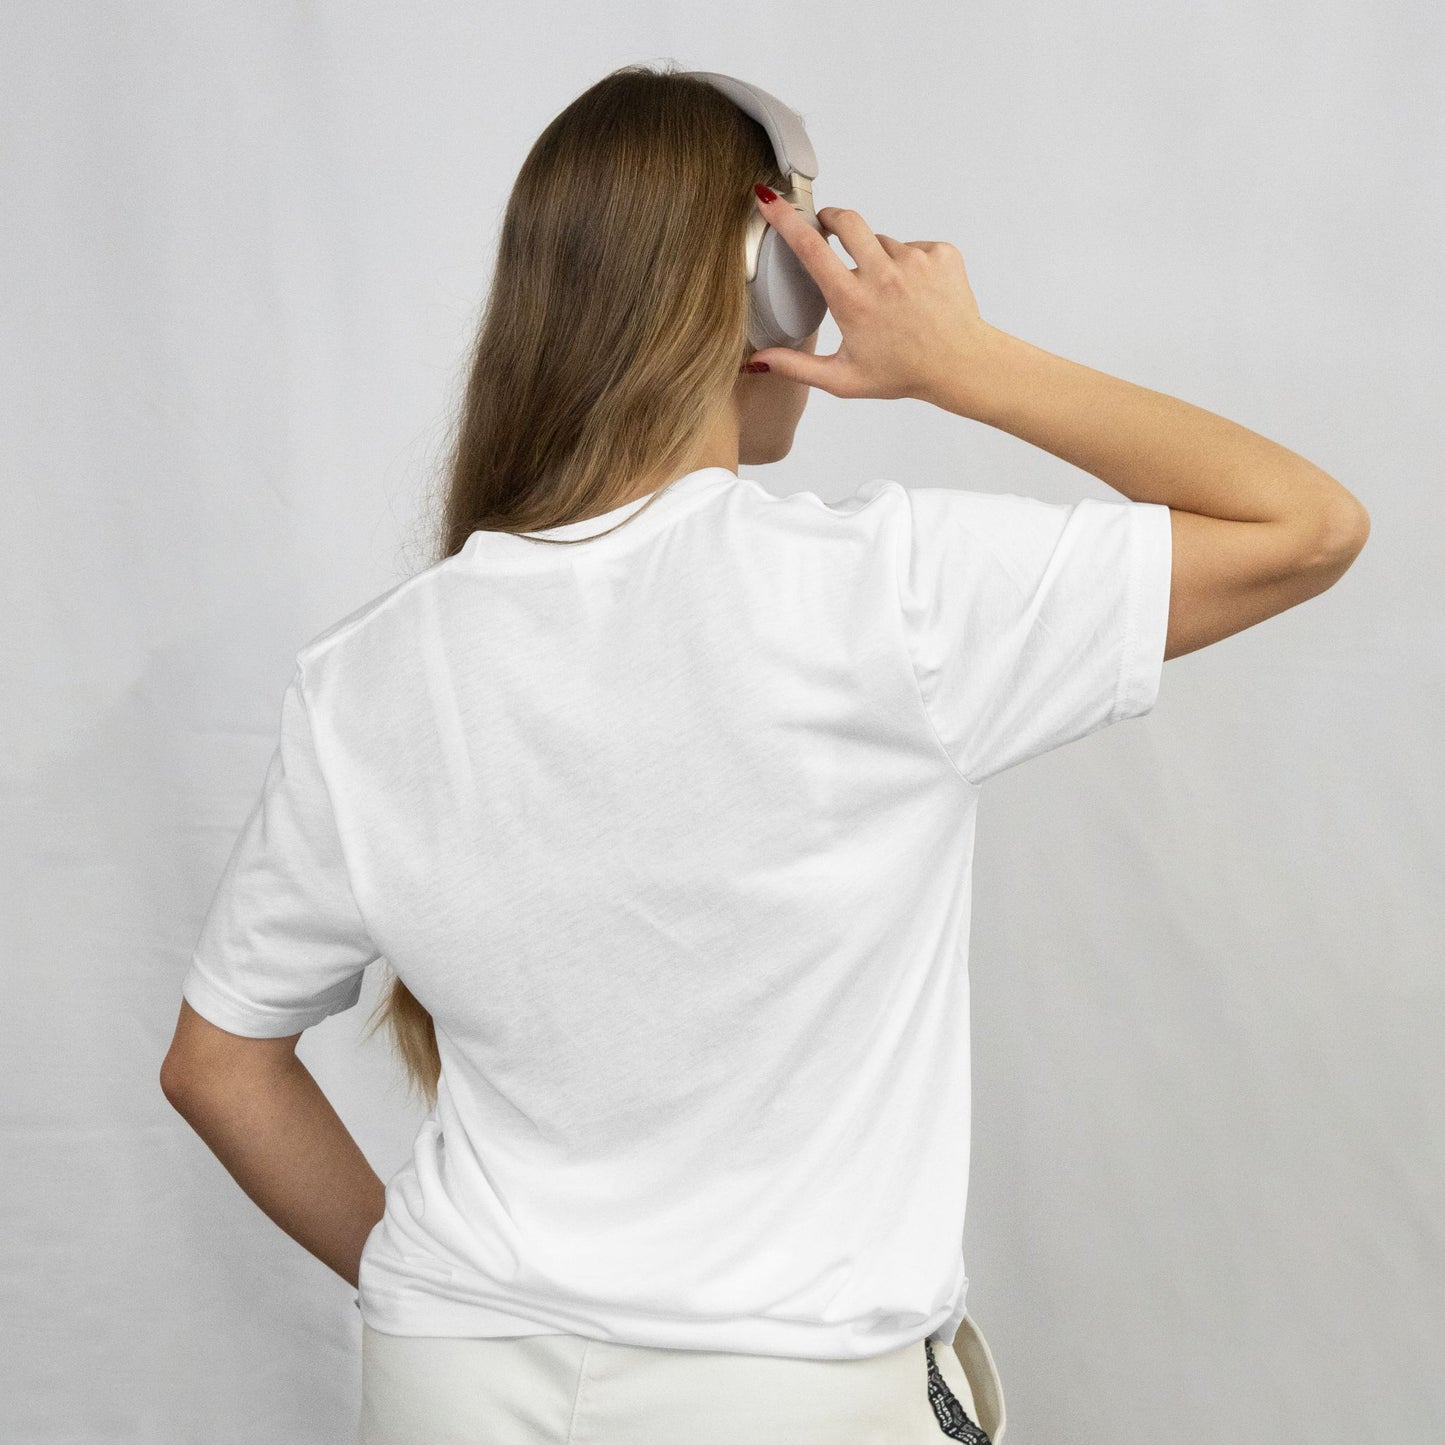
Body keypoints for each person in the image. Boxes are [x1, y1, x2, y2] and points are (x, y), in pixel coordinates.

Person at [159, 63, 1369, 1445]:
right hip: (787, 1398)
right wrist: (966, 365)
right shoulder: (884, 592)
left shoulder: (368, 671)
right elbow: (1303, 525)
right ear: (763, 279)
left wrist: (444, 1288)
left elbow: (217, 1062)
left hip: (449, 1377)